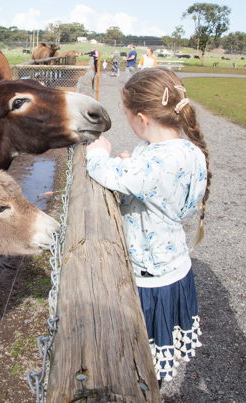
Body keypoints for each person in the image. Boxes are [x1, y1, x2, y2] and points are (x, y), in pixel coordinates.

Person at [85, 67, 210, 389]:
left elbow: (105, 171)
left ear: (142, 118)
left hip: (150, 277)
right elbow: (150, 179)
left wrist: (100, 152)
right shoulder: (190, 151)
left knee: (142, 352)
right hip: (177, 266)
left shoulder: (151, 164)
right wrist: (131, 161)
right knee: (158, 347)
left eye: (127, 116)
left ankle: (140, 388)